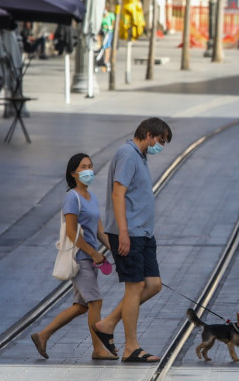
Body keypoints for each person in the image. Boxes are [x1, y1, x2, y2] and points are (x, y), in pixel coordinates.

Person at [92, 118, 173, 363]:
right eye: (161, 141)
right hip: (130, 234)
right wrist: (123, 233)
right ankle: (131, 347)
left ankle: (107, 324)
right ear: (149, 134)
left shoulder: (140, 156)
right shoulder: (127, 154)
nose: (161, 146)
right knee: (135, 287)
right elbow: (118, 194)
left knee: (153, 284)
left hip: (144, 233)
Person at [31, 153, 116, 360]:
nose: (88, 170)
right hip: (81, 257)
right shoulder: (72, 197)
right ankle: (98, 349)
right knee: (95, 302)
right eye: (83, 167)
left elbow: (99, 231)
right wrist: (93, 253)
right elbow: (71, 232)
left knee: (81, 306)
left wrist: (117, 248)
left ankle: (43, 335)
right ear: (73, 173)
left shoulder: (92, 197)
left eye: (90, 166)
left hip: (90, 258)